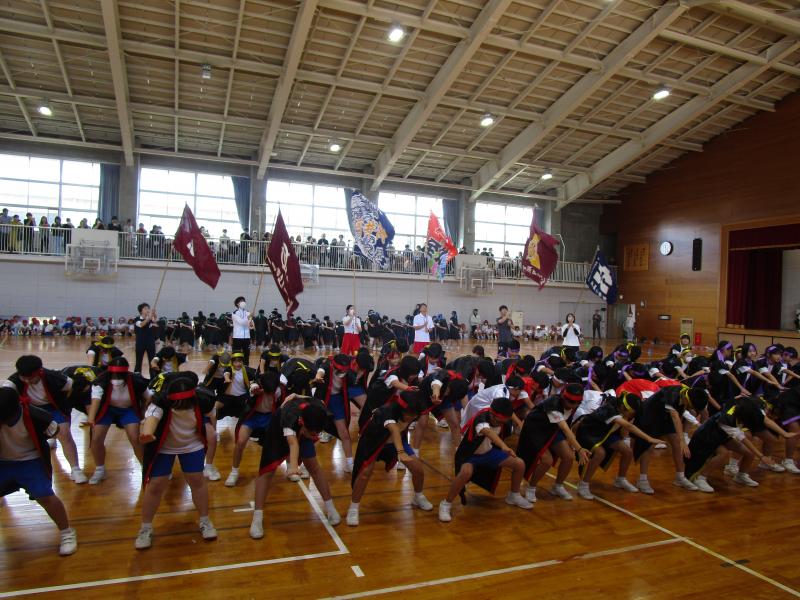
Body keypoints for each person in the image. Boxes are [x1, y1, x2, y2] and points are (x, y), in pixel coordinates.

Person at [137, 375, 217, 549]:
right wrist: (147, 433)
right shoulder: (159, 402)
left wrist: (210, 432)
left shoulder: (204, 400)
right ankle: (145, 528)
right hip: (164, 446)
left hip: (192, 444)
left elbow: (211, 418)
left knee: (197, 480)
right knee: (156, 485)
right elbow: (151, 420)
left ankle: (205, 520)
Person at [250, 394, 340, 539]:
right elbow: (293, 444)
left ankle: (331, 508)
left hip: (303, 427)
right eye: (312, 434)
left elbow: (311, 399)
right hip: (277, 431)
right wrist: (293, 467)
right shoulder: (289, 417)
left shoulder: (320, 410)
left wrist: (297, 395)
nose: (315, 436)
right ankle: (257, 518)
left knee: (314, 467)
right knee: (267, 472)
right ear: (302, 423)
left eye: (316, 434)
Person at [0, 387, 78, 555]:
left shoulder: (38, 416)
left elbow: (55, 431)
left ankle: (67, 532)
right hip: (3, 462)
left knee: (45, 496)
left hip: (30, 460)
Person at [439, 397, 532, 522]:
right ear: (492, 414)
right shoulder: (481, 418)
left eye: (503, 422)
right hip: (469, 455)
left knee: (519, 464)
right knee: (465, 472)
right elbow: (488, 432)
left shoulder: (503, 421)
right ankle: (446, 503)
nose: (500, 424)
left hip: (488, 452)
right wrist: (504, 446)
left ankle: (513, 495)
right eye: (499, 421)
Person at [348, 391, 433, 526]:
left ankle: (418, 496)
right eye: (410, 414)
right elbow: (394, 430)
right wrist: (401, 451)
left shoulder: (413, 411)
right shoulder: (387, 411)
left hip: (394, 442)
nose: (413, 417)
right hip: (374, 441)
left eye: (415, 415)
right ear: (402, 408)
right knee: (364, 474)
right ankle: (353, 508)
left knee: (418, 469)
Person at [4, 355, 88, 484]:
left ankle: (75, 469)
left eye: (30, 378)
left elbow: (71, 388)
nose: (27, 381)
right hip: (31, 409)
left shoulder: (56, 378)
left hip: (54, 408)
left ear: (39, 371)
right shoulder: (13, 382)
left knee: (64, 434)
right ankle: (51, 440)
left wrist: (64, 404)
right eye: (23, 378)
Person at [572, 392, 661, 500]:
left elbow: (623, 434)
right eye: (631, 413)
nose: (632, 416)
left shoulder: (623, 410)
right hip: (589, 432)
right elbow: (629, 427)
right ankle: (583, 484)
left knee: (627, 452)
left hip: (607, 432)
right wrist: (649, 438)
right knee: (600, 453)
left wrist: (627, 418)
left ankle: (620, 479)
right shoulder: (610, 409)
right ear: (623, 407)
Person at [517, 383, 591, 502]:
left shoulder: (573, 405)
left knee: (568, 457)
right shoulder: (553, 404)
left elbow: (567, 426)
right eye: (572, 402)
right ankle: (531, 487)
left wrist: (573, 445)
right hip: (536, 429)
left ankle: (557, 486)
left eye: (578, 402)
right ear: (563, 397)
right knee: (547, 460)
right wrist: (579, 449)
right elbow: (564, 428)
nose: (575, 405)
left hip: (553, 428)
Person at [85, 357, 147, 484]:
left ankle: (146, 468)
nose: (116, 379)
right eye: (114, 375)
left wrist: (143, 413)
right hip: (106, 409)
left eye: (120, 376)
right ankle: (100, 469)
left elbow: (149, 397)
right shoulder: (100, 381)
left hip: (128, 409)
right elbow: (96, 400)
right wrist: (91, 417)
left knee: (135, 438)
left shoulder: (136, 380)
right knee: (96, 438)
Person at [231, 296, 253, 366]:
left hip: (247, 337)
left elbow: (251, 325)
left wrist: (251, 324)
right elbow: (241, 322)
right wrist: (248, 317)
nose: (243, 302)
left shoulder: (248, 312)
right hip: (237, 337)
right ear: (237, 304)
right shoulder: (235, 313)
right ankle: (234, 367)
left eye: (243, 301)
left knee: (247, 354)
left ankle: (246, 368)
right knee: (236, 354)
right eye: (241, 301)